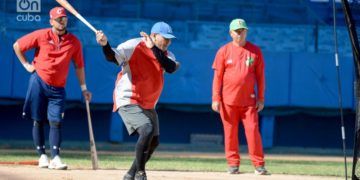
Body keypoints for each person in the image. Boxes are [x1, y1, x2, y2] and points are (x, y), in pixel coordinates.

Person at [95, 22, 180, 180]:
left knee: (154, 142)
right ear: (153, 36)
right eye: (165, 38)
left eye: (170, 39)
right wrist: (105, 45)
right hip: (128, 98)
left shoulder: (166, 55)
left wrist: (153, 48)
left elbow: (169, 67)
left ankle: (130, 174)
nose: (168, 42)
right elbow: (112, 57)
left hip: (148, 104)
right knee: (146, 129)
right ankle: (141, 174)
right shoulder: (134, 46)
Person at [13, 7, 92, 170]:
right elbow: (17, 46)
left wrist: (84, 89)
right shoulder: (42, 35)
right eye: (58, 19)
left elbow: (79, 66)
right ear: (51, 21)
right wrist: (26, 65)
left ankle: (55, 157)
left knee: (56, 121)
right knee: (38, 120)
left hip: (58, 89)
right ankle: (42, 155)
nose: (61, 21)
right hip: (39, 82)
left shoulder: (74, 42)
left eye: (64, 18)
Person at [211, 18, 268, 175]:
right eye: (237, 31)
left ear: (246, 32)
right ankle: (233, 165)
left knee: (253, 131)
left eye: (243, 30)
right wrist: (215, 98)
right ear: (230, 33)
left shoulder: (255, 51)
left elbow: (261, 77)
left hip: (249, 102)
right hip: (228, 101)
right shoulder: (223, 51)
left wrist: (261, 98)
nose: (240, 33)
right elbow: (218, 77)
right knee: (230, 134)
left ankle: (259, 165)